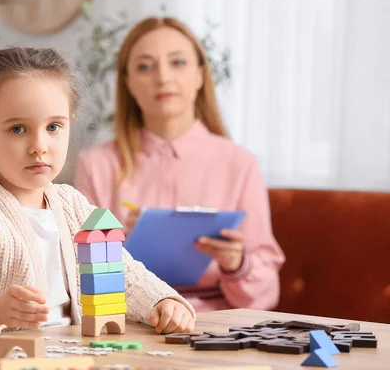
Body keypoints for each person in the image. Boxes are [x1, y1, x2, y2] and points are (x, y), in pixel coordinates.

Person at [0, 47, 196, 341]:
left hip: (74, 356)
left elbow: (123, 275)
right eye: (18, 129)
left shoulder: (73, 205)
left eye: (53, 126)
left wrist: (162, 301)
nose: (39, 145)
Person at [74, 17, 286, 312]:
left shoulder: (240, 164)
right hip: (130, 319)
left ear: (200, 75)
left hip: (218, 326)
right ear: (128, 83)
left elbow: (265, 296)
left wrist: (236, 263)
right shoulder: (96, 165)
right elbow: (77, 277)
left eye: (178, 63)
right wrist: (118, 250)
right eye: (145, 66)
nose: (163, 78)